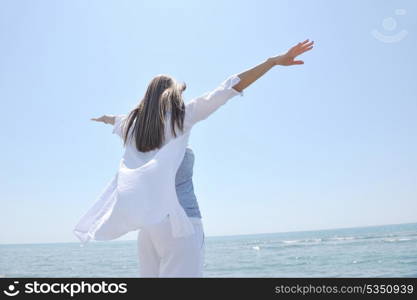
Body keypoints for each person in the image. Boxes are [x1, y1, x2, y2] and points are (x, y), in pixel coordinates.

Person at [88, 39, 314, 277]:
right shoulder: (180, 118)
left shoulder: (132, 126)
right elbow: (228, 88)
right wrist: (272, 62)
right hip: (181, 224)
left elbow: (117, 119)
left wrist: (105, 118)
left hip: (148, 229)